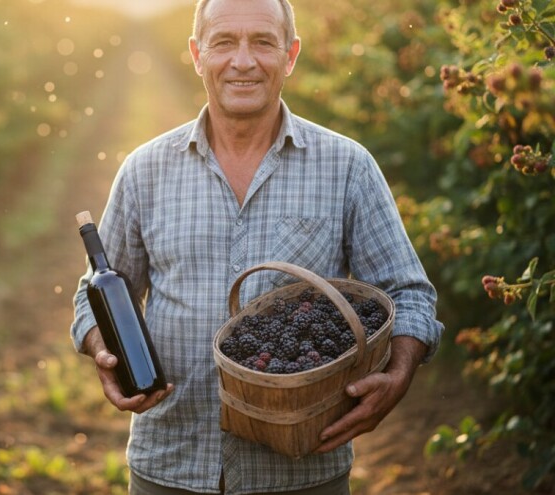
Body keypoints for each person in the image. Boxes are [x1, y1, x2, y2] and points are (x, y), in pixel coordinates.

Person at [70, 0, 444, 493]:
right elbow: (93, 298)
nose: (243, 61)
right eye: (224, 42)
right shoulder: (145, 171)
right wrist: (104, 350)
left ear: (290, 55)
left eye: (262, 42)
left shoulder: (346, 166)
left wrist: (397, 376)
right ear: (197, 54)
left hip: (302, 470)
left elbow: (409, 293)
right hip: (169, 463)